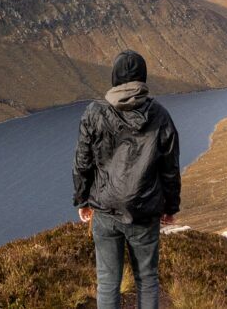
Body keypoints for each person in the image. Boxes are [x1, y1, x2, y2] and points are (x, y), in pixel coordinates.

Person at [73, 50, 181, 309]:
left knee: (108, 280)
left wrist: (82, 200)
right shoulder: (160, 115)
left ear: (115, 78)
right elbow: (170, 168)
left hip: (105, 209)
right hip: (144, 213)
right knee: (147, 279)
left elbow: (82, 161)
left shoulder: (94, 112)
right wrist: (170, 207)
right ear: (143, 78)